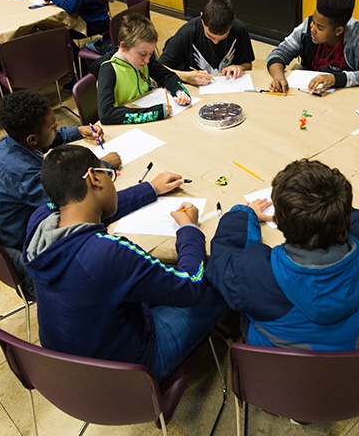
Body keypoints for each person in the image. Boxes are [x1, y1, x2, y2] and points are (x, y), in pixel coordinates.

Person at [23, 145, 228, 381]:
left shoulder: (40, 221)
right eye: (108, 174)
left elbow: (92, 211)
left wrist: (150, 189)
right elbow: (191, 286)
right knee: (218, 275)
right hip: (129, 374)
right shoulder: (106, 253)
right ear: (95, 178)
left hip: (69, 368)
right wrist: (189, 229)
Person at [206, 159, 359, 350]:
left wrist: (244, 214)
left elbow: (222, 257)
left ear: (278, 221)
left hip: (286, 375)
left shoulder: (253, 275)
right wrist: (330, 209)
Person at [0, 91, 120, 295]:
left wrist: (77, 131)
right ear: (31, 138)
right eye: (53, 127)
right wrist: (102, 166)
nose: (56, 129)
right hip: (22, 249)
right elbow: (67, 194)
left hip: (4, 228)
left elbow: (44, 142)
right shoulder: (24, 175)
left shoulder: (7, 143)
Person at [267, 0, 359, 93]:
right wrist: (278, 77)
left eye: (320, 27)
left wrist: (336, 79)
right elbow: (279, 53)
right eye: (313, 22)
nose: (312, 29)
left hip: (346, 99)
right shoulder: (307, 28)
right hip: (310, 93)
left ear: (338, 31)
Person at [96, 13, 191, 125]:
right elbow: (106, 114)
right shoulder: (109, 70)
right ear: (123, 47)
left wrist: (179, 91)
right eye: (142, 54)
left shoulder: (144, 61)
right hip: (125, 129)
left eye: (150, 54)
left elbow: (166, 75)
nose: (147, 60)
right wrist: (154, 113)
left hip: (147, 122)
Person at [158, 0, 255, 86]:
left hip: (229, 86)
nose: (215, 42)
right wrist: (186, 77)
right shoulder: (188, 32)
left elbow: (247, 64)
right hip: (196, 90)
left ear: (232, 22)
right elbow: (159, 68)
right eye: (210, 36)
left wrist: (240, 67)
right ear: (202, 18)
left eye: (223, 38)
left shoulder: (239, 29)